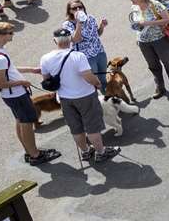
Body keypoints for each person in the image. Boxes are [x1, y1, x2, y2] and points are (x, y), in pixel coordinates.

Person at [0, 22, 60, 164]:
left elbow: (8, 69)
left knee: (20, 121)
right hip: (16, 95)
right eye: (10, 33)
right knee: (27, 123)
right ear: (1, 36)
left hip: (11, 96)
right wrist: (22, 83)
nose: (13, 35)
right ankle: (35, 155)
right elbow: (0, 83)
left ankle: (29, 151)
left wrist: (30, 69)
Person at [40, 27, 117, 163]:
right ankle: (100, 152)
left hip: (65, 98)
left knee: (76, 128)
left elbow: (46, 78)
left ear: (54, 40)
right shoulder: (78, 56)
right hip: (85, 96)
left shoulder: (45, 58)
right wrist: (98, 84)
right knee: (92, 127)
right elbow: (88, 76)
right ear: (71, 39)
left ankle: (86, 152)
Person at [126, 0, 169, 98]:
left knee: (168, 63)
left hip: (159, 40)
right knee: (153, 66)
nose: (131, 0)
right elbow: (136, 23)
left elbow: (166, 19)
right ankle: (160, 88)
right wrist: (137, 36)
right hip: (144, 42)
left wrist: (148, 23)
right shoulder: (134, 8)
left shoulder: (155, 5)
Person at [59, 0, 108, 78]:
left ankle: (105, 89)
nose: (78, 9)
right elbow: (75, 40)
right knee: (94, 80)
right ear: (70, 11)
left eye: (80, 7)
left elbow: (97, 34)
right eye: (74, 8)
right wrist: (79, 23)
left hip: (100, 52)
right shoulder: (67, 25)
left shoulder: (90, 18)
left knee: (103, 77)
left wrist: (102, 26)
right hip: (86, 58)